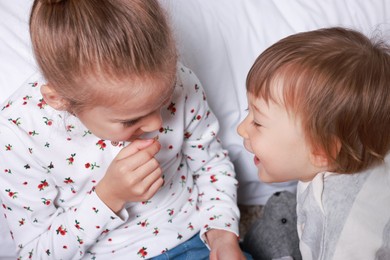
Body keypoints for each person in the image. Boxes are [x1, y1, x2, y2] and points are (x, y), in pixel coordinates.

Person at [0, 0, 249, 259]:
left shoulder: (178, 80)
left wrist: (223, 236)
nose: (157, 125)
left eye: (164, 102)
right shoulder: (18, 134)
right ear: (60, 100)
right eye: (130, 120)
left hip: (195, 238)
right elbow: (35, 252)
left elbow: (211, 165)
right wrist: (108, 196)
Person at [237, 27, 390, 259]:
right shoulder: (360, 143)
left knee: (265, 241)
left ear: (322, 151)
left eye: (257, 122)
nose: (241, 129)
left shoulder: (343, 234)